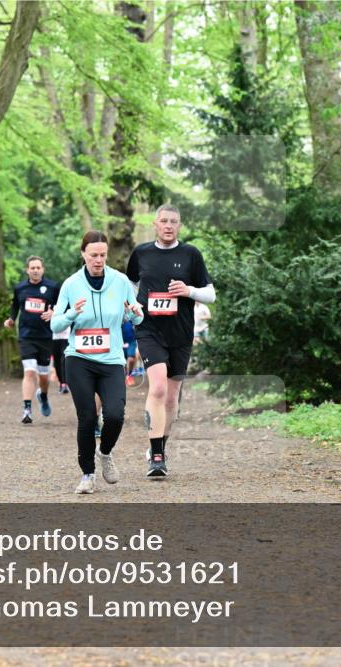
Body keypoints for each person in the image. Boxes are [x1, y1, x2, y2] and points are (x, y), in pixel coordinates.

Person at [126, 204, 215, 478]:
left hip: (180, 333)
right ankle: (155, 456)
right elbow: (129, 286)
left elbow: (210, 294)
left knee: (172, 397)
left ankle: (160, 446)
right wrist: (132, 306)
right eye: (163, 221)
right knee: (159, 388)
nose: (168, 225)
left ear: (179, 225)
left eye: (173, 221)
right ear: (155, 224)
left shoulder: (191, 254)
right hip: (149, 329)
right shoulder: (141, 253)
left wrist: (188, 291)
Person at [51, 230, 143, 494]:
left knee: (115, 414)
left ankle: (105, 452)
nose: (98, 260)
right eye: (93, 255)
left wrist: (136, 314)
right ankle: (87, 474)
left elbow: (136, 318)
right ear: (83, 255)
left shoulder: (120, 281)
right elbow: (56, 323)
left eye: (103, 255)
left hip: (111, 359)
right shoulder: (71, 284)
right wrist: (71, 314)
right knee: (88, 416)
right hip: (79, 358)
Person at [3, 256, 59, 423]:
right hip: (26, 336)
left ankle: (43, 395)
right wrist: (11, 319)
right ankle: (27, 409)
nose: (35, 270)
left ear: (43, 269)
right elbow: (15, 306)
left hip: (46, 336)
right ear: (27, 270)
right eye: (32, 268)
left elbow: (63, 305)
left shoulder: (52, 287)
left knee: (43, 376)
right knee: (29, 371)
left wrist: (54, 312)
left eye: (38, 267)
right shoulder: (20, 288)